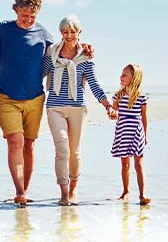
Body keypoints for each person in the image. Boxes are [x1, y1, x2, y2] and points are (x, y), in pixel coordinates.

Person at [0, 0, 94, 207]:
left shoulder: (43, 33)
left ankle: (26, 190)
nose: (28, 20)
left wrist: (85, 48)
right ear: (15, 11)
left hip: (35, 98)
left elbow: (64, 49)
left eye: (32, 16)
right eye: (24, 16)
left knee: (29, 145)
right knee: (15, 142)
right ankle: (19, 192)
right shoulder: (1, 29)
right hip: (6, 96)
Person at [42, 15, 113, 206]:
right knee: (62, 149)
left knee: (74, 152)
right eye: (65, 32)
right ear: (61, 33)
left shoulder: (85, 58)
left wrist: (107, 105)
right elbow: (37, 74)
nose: (69, 35)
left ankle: (74, 189)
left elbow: (95, 85)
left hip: (77, 109)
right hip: (54, 107)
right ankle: (64, 193)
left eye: (73, 31)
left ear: (79, 33)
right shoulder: (52, 54)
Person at [110, 64, 150, 205]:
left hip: (136, 132)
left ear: (134, 78)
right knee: (125, 164)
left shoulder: (141, 97)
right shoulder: (118, 95)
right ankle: (125, 192)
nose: (121, 77)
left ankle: (142, 195)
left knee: (139, 164)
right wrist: (112, 113)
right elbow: (113, 114)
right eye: (121, 74)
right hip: (122, 132)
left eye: (125, 75)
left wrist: (145, 135)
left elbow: (144, 118)